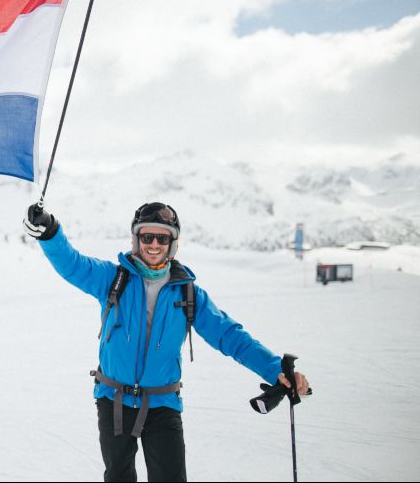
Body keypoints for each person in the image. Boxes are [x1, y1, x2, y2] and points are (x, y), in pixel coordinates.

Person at [23, 201, 309, 482]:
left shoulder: (188, 294)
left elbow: (230, 337)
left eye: (163, 237)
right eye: (147, 236)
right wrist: (50, 232)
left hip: (162, 403)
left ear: (173, 243)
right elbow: (73, 265)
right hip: (114, 401)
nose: (154, 244)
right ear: (136, 239)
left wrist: (276, 370)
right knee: (118, 477)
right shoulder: (113, 279)